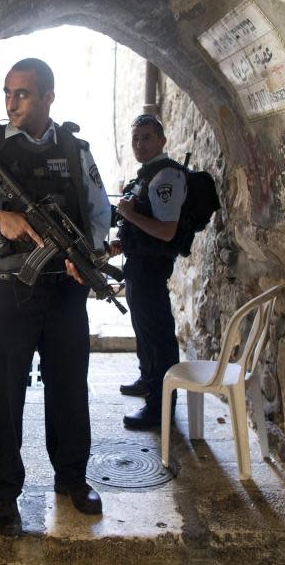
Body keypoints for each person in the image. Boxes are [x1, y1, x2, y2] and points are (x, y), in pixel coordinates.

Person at [0, 58, 111, 536]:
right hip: (9, 293)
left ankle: (73, 479)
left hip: (64, 291)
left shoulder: (76, 150)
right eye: (8, 93)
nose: (12, 103)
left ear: (49, 97)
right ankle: (4, 494)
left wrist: (89, 255)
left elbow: (100, 215)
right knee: (6, 397)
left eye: (24, 94)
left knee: (70, 391)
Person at [110, 114, 187, 429]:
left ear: (162, 141)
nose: (139, 144)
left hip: (152, 269)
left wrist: (129, 214)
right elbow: (144, 222)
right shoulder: (148, 176)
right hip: (138, 264)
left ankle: (159, 407)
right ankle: (147, 380)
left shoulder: (166, 176)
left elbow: (167, 231)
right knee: (143, 330)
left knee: (158, 337)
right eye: (136, 139)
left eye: (146, 138)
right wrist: (123, 239)